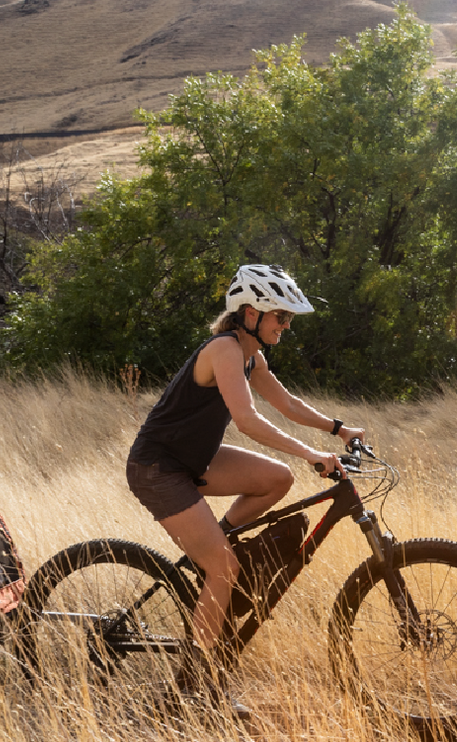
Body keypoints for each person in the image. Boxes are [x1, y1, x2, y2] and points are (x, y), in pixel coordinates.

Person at [126, 265, 365, 709]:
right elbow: (248, 419)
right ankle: (190, 689)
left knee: (278, 478)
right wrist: (312, 454)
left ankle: (215, 552)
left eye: (288, 318)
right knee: (225, 571)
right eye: (281, 316)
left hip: (192, 462)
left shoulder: (252, 354)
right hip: (159, 468)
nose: (286, 325)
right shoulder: (224, 350)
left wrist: (339, 429)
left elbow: (286, 403)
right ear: (251, 312)